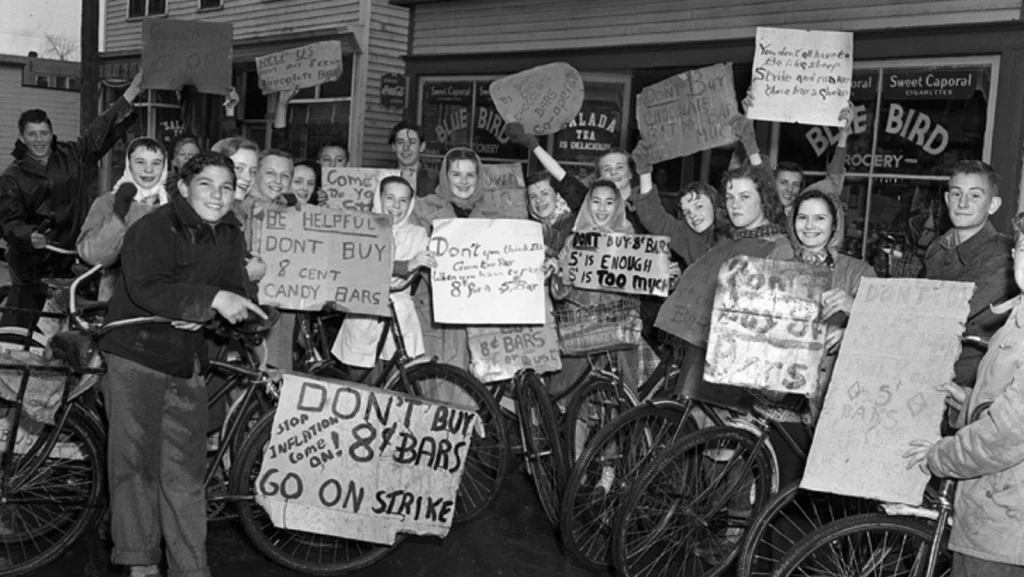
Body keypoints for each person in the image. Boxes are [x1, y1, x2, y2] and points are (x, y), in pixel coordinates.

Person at [99, 151, 266, 577]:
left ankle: (191, 568)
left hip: (188, 359)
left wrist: (252, 311)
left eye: (227, 186)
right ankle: (139, 563)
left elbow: (233, 290)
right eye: (206, 184)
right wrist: (211, 300)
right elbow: (147, 287)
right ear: (185, 187)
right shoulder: (152, 227)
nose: (217, 194)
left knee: (186, 471)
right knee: (134, 466)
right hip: (136, 353)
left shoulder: (229, 231)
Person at [904, 212, 1024, 577]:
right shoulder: (1017, 317)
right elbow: (1005, 403)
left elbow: (1008, 432)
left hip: (1005, 526)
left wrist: (941, 456)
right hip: (996, 511)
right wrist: (967, 401)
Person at [0, 70, 143, 329]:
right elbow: (8, 221)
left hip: (72, 259)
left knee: (71, 324)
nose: (39, 140)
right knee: (23, 328)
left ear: (51, 133)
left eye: (44, 133)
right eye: (32, 134)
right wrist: (27, 235)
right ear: (22, 137)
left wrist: (131, 92)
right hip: (31, 266)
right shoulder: (12, 176)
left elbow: (101, 130)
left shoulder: (71, 155)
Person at [766, 188, 875, 484]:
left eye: (819, 218)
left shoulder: (857, 271)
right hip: (780, 392)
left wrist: (849, 327)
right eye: (802, 217)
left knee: (832, 481)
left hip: (833, 395)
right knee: (780, 475)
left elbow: (884, 329)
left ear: (834, 224)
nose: (810, 225)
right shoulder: (777, 266)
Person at [922, 160, 1016, 398]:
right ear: (946, 200)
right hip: (923, 369)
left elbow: (947, 310)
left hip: (966, 388)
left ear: (993, 205)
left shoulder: (1003, 256)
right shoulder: (937, 247)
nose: (962, 203)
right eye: (956, 193)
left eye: (975, 195)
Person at [332, 176, 435, 380]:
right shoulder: (361, 229)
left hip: (401, 317)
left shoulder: (418, 235)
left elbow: (403, 280)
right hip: (363, 315)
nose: (396, 206)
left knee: (398, 382)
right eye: (389, 198)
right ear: (379, 198)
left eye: (403, 200)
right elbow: (365, 269)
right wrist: (407, 265)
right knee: (360, 383)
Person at [550, 180, 640, 392]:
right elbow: (559, 292)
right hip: (580, 329)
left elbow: (640, 287)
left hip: (616, 330)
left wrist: (665, 272)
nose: (601, 208)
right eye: (596, 201)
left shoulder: (632, 241)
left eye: (609, 202)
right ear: (587, 205)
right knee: (571, 398)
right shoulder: (574, 241)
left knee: (621, 399)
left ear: (618, 206)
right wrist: (560, 274)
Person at [77, 137, 169, 300]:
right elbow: (92, 255)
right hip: (117, 297)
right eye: (140, 162)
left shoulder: (174, 205)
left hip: (164, 297)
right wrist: (120, 212)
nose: (148, 170)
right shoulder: (107, 203)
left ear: (164, 167)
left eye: (156, 163)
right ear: (128, 165)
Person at [389, 121, 438, 197]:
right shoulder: (382, 178)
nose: (406, 147)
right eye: (400, 142)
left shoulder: (436, 180)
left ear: (422, 146)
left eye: (412, 142)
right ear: (393, 147)